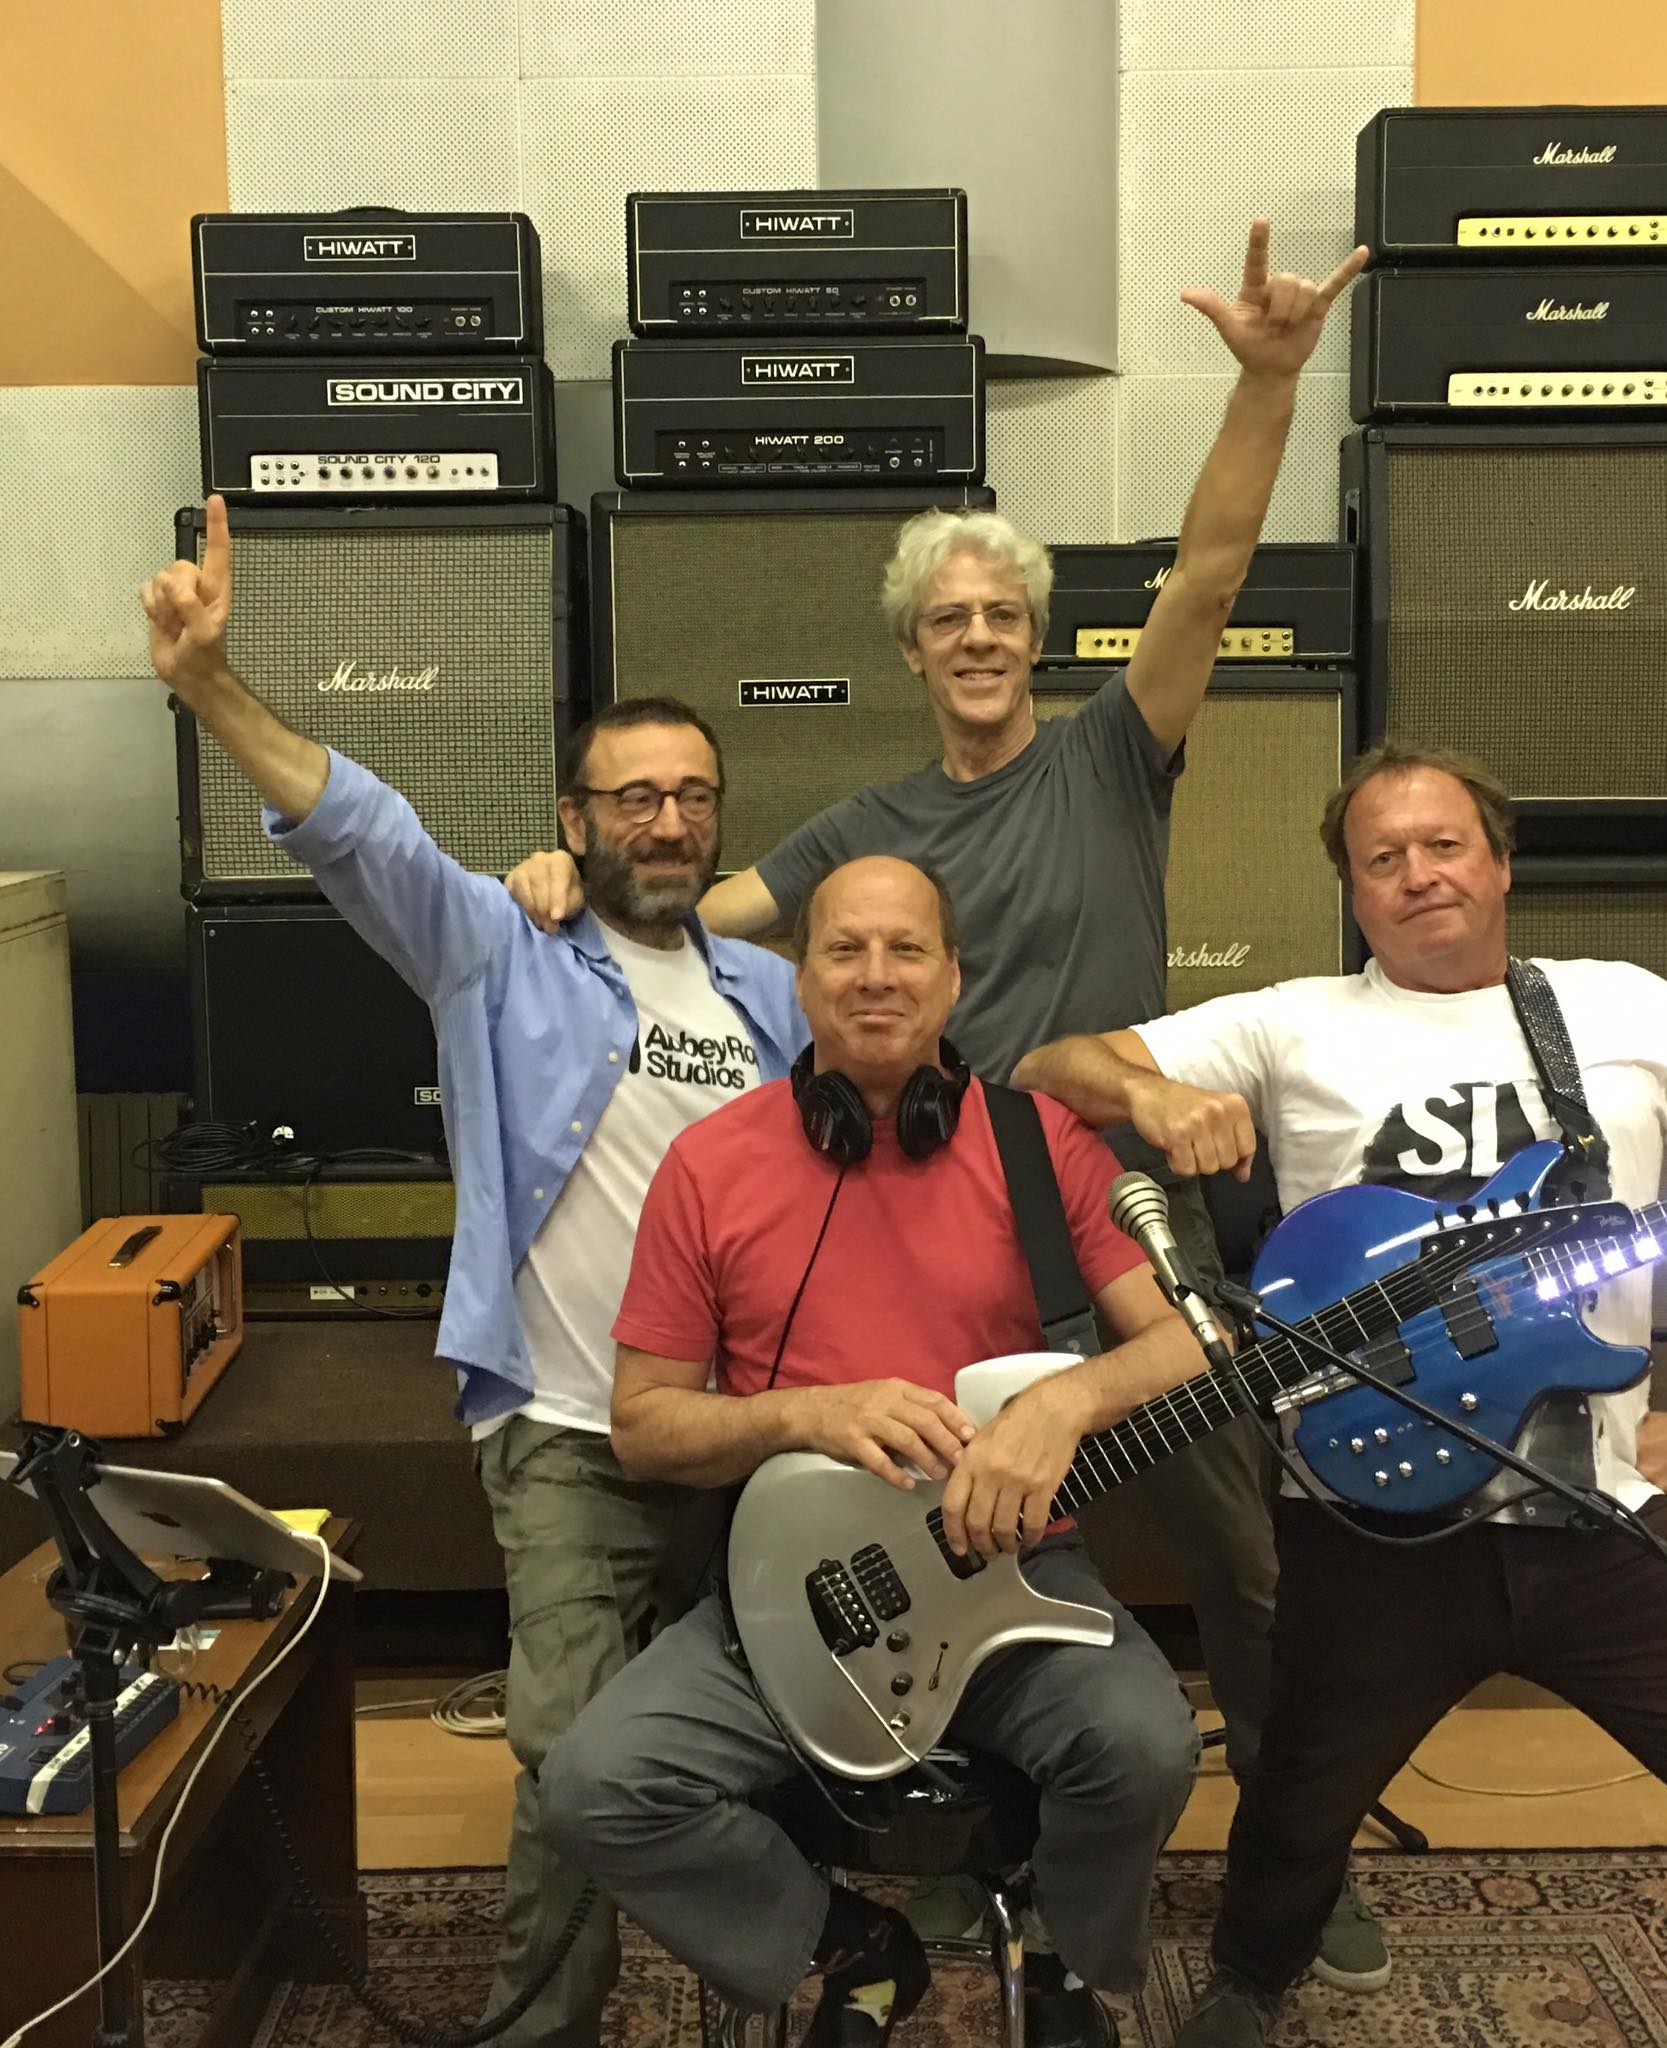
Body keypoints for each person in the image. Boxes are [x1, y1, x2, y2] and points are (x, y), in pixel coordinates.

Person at [512, 232, 1388, 1988]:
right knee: (931, 1549)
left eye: (1004, 614)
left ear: (1036, 638)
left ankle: (1296, 1861)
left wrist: (1270, 382)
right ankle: (924, 1830)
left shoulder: (1110, 752)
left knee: (1246, 1569)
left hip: (1114, 1218)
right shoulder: (867, 837)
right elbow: (691, 914)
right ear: (911, 648)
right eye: (949, 618)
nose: (979, 636)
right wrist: (569, 877)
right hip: (932, 1217)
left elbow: (1211, 573)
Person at [1013, 739, 1667, 2048]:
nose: (1417, 873)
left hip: (1606, 1520)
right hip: (1367, 1525)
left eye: (1443, 844)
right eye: (1382, 857)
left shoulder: (1629, 1010)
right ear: (1353, 890)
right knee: (1295, 1812)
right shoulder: (1294, 1020)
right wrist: (1150, 1090)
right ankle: (1251, 1977)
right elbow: (1051, 1066)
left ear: (1499, 862)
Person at [139, 497, 809, 2048]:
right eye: (633, 797)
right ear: (574, 819)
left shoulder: (774, 997)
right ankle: (541, 2027)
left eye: (692, 797)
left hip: (755, 1437)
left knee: (775, 1732)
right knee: (572, 1757)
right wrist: (212, 687)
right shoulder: (495, 953)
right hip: (570, 1431)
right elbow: (364, 831)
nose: (667, 822)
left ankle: (774, 1991)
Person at [539, 854, 1210, 2048]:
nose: (876, 974)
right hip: (792, 1593)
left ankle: (1060, 1943)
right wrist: (800, 1413)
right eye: (844, 948)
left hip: (1015, 1569)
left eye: (907, 949)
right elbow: (643, 1424)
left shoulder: (1040, 1141)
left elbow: (1188, 1344)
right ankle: (845, 1944)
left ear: (953, 978)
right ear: (799, 980)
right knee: (597, 1784)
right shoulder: (710, 1163)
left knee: (1147, 1747)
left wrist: (1063, 1403)